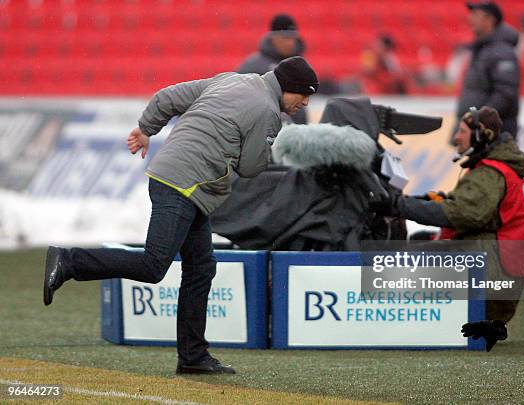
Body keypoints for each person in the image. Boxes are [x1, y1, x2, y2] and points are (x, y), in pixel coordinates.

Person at [43, 56, 319, 374]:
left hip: (176, 178)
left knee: (201, 269)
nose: (306, 102)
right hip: (184, 185)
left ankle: (193, 357)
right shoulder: (269, 113)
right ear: (289, 88)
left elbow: (167, 98)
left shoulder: (231, 79)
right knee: (153, 265)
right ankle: (69, 262)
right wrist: (263, 143)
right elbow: (251, 167)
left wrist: (147, 129)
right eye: (305, 94)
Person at [372, 106, 524, 351]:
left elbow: (463, 214)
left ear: (481, 135)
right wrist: (435, 199)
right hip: (499, 271)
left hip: (492, 275)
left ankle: (392, 325)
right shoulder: (496, 169)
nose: (455, 137)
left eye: (461, 131)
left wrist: (398, 205)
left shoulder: (490, 173)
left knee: (409, 259)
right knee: (421, 242)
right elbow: (473, 208)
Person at [456, 1, 520, 138]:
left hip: (491, 134)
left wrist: (478, 120)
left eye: (475, 14)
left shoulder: (502, 51)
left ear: (490, 19)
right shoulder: (483, 48)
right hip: (478, 132)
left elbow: (505, 93)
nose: (470, 18)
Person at [238, 13, 308, 124]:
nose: (290, 43)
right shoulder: (253, 66)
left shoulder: (300, 65)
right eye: (285, 38)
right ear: (273, 38)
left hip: (297, 129)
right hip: (264, 131)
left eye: (293, 38)